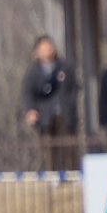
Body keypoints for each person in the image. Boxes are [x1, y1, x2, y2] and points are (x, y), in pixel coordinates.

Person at [20, 36, 77, 171]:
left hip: (63, 113)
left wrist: (71, 104)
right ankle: (53, 175)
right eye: (43, 48)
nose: (46, 51)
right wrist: (31, 110)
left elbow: (73, 88)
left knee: (68, 146)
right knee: (49, 148)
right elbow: (27, 92)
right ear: (38, 51)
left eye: (49, 47)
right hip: (45, 115)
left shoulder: (64, 67)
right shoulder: (33, 71)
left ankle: (72, 173)